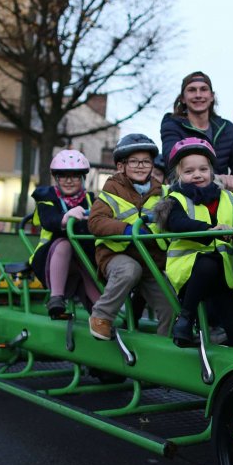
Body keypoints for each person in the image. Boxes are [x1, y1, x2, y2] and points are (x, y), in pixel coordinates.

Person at [156, 137, 233, 349]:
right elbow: (178, 223)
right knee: (208, 262)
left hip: (221, 273)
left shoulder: (227, 197)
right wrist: (209, 230)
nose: (197, 175)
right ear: (178, 175)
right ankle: (185, 318)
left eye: (203, 169)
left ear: (212, 171)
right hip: (188, 272)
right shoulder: (175, 199)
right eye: (189, 172)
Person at [86, 134, 175, 341]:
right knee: (129, 270)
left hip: (151, 259)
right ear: (121, 166)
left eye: (145, 161)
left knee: (170, 303)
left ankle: (167, 347)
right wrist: (126, 229)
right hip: (117, 255)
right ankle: (101, 316)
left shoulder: (162, 192)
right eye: (134, 161)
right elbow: (96, 221)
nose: (140, 166)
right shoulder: (111, 191)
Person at [160, 71, 233, 193]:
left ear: (212, 96)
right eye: (192, 90)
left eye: (203, 89)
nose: (198, 95)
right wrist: (215, 178)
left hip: (219, 196)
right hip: (185, 194)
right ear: (183, 98)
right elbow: (172, 163)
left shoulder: (227, 128)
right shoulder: (172, 125)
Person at [29, 150, 99, 319]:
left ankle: (103, 314)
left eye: (74, 176)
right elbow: (48, 220)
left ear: (82, 178)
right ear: (56, 178)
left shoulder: (91, 200)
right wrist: (65, 218)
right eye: (63, 176)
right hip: (49, 258)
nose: (69, 181)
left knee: (87, 265)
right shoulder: (46, 198)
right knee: (65, 244)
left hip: (83, 258)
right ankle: (56, 298)